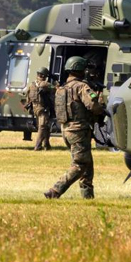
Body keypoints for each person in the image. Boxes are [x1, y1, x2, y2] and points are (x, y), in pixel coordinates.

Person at [44, 56, 104, 200]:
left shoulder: (62, 88)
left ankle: (88, 197)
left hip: (66, 130)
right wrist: (101, 108)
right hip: (78, 131)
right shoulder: (81, 87)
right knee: (80, 164)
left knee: (87, 164)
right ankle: (55, 190)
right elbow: (93, 106)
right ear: (81, 70)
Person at [25, 67, 55, 151]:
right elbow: (56, 89)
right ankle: (38, 146)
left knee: (45, 126)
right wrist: (55, 82)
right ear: (43, 76)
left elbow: (27, 97)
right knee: (42, 126)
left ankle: (46, 145)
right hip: (43, 109)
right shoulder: (45, 84)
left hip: (35, 109)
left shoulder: (32, 85)